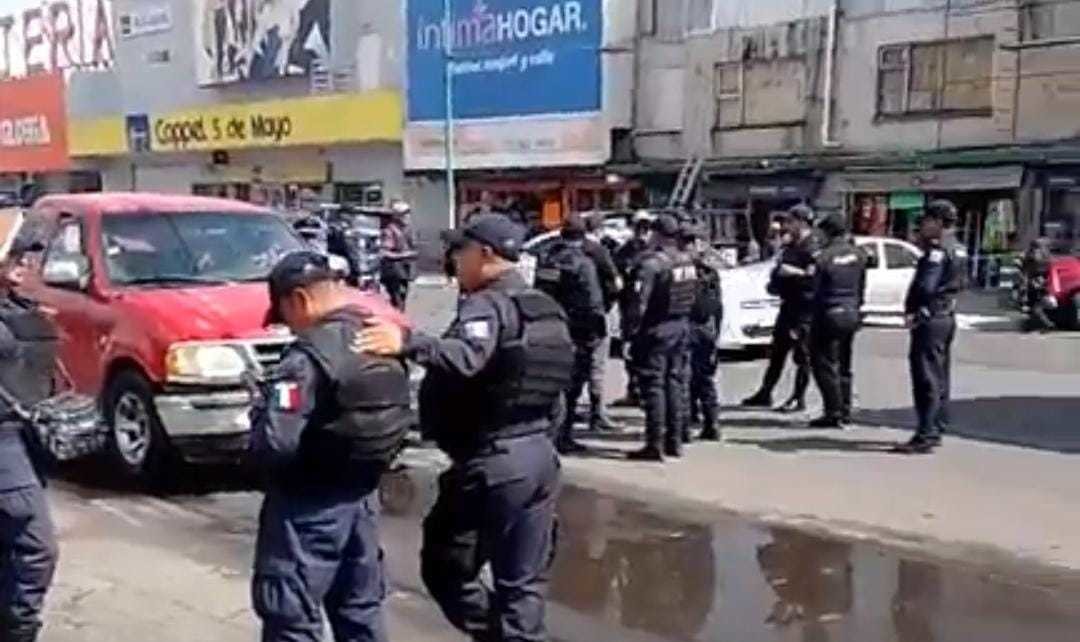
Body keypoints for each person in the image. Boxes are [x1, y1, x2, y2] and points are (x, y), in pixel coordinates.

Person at [357, 214, 571, 642]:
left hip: (495, 459)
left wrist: (407, 343)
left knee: (446, 565)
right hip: (538, 456)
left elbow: (464, 356)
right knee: (522, 584)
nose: (455, 262)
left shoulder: (487, 304)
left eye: (461, 252)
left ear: (486, 255)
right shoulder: (542, 307)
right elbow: (556, 391)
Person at [247, 251, 413, 642]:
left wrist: (257, 414)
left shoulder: (306, 359)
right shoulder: (379, 336)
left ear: (300, 301)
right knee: (360, 614)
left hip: (307, 508)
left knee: (291, 617)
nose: (290, 328)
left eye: (286, 316)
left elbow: (276, 442)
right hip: (361, 500)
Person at [0, 264, 58, 642]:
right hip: (3, 445)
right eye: (14, 258)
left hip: (20, 439)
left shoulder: (13, 305)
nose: (26, 267)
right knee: (35, 547)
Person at [534, 214, 615, 453]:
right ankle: (565, 434)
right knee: (577, 381)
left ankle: (553, 432)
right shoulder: (588, 260)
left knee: (554, 382)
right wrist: (599, 324)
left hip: (554, 326)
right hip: (582, 329)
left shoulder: (548, 258)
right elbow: (598, 298)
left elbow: (539, 293)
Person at [623, 214, 698, 461]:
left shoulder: (652, 264)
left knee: (654, 386)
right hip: (681, 326)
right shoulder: (687, 260)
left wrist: (630, 334)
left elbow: (639, 303)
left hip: (657, 329)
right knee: (674, 383)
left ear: (656, 234)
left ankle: (654, 444)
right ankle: (674, 441)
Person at [897, 200, 968, 454]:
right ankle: (936, 426)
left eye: (926, 222)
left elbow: (926, 286)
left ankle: (925, 432)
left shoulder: (937, 251)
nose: (923, 227)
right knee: (940, 376)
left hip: (930, 318)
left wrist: (912, 309)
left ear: (938, 222)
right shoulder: (959, 248)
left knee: (925, 375)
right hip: (947, 316)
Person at [742, 205, 820, 413]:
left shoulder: (813, 247)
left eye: (791, 221)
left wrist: (794, 273)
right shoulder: (792, 245)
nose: (786, 225)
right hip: (788, 306)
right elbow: (779, 270)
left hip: (803, 309)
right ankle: (765, 392)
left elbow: (814, 279)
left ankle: (798, 397)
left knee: (802, 356)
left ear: (802, 222)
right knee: (777, 353)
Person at [808, 213, 867, 429]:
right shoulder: (859, 255)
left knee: (823, 363)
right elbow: (862, 287)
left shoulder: (823, 257)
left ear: (827, 232)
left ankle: (834, 411)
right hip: (851, 312)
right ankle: (846, 409)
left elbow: (816, 290)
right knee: (844, 364)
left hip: (828, 313)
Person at [611, 211, 655, 408]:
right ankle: (634, 391)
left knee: (650, 353)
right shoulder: (625, 251)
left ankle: (649, 392)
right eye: (640, 227)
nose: (643, 232)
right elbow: (615, 277)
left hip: (652, 310)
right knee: (630, 352)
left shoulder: (657, 251)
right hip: (629, 308)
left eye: (646, 228)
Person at [685, 224, 724, 442]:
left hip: (695, 327)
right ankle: (707, 421)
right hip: (702, 328)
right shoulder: (709, 272)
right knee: (701, 378)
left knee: (696, 377)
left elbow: (717, 306)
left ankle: (708, 422)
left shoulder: (690, 270)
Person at [379, 200, 418, 311]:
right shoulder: (390, 231)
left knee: (401, 299)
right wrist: (406, 255)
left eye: (408, 213)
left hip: (404, 272)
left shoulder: (406, 229)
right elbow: (385, 252)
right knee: (397, 301)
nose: (408, 216)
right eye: (405, 213)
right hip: (394, 272)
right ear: (397, 216)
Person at [1020, 237, 1054, 332]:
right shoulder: (1046, 255)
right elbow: (1048, 268)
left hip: (1033, 282)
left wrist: (1025, 282)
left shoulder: (1032, 254)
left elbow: (1025, 268)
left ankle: (1047, 324)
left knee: (1033, 305)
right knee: (1035, 304)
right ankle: (1030, 325)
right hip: (1042, 282)